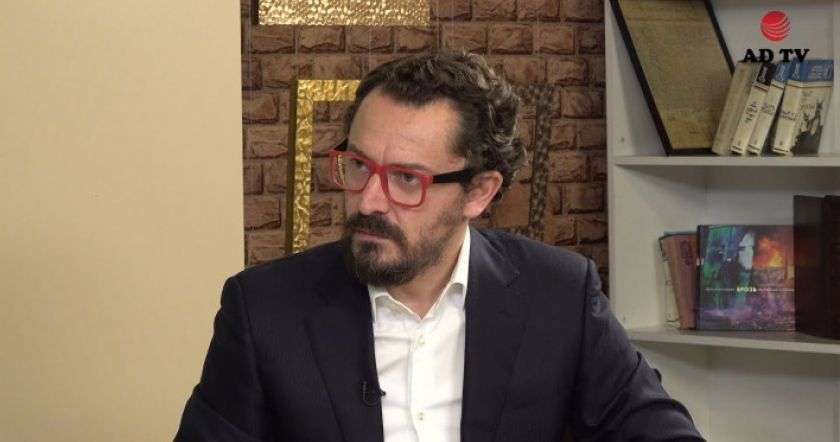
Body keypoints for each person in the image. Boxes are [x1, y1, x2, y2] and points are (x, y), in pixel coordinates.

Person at [175, 51, 704, 442]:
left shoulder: (560, 294)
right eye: (358, 166)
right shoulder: (264, 309)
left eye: (407, 179)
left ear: (479, 192)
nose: (369, 200)